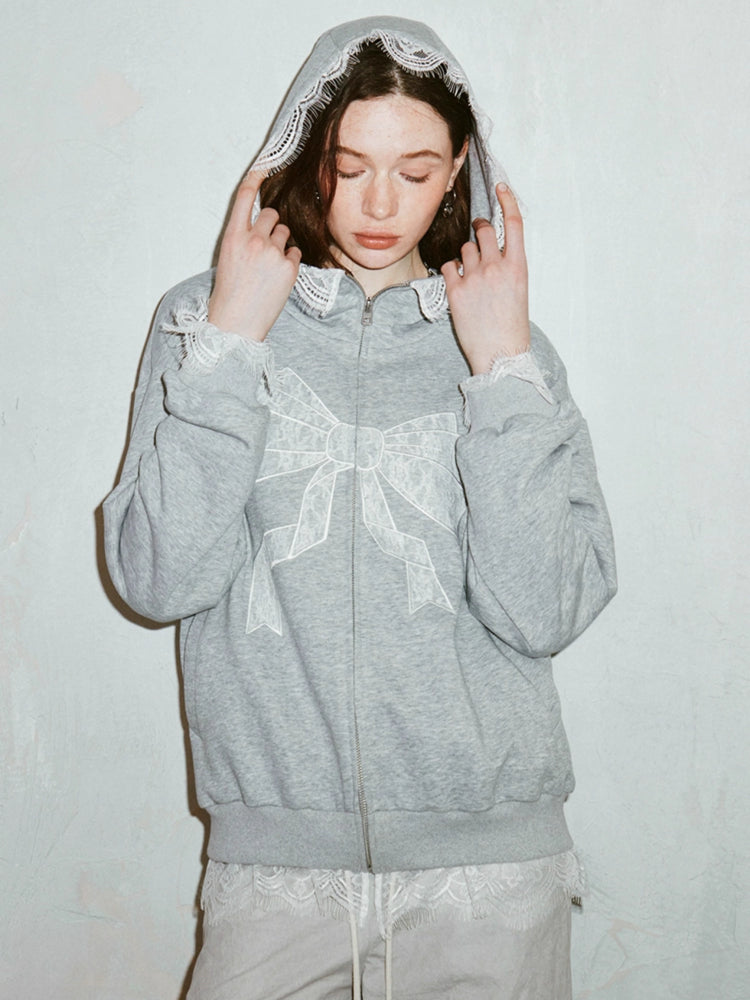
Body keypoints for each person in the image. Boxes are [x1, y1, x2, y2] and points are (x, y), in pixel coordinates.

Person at [103, 16, 617, 1000]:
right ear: (309, 158)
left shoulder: (511, 344)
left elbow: (545, 610)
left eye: (416, 171)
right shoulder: (203, 319)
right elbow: (158, 580)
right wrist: (233, 343)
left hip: (490, 883)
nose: (381, 204)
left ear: (458, 167)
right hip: (276, 877)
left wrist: (502, 371)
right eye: (351, 168)